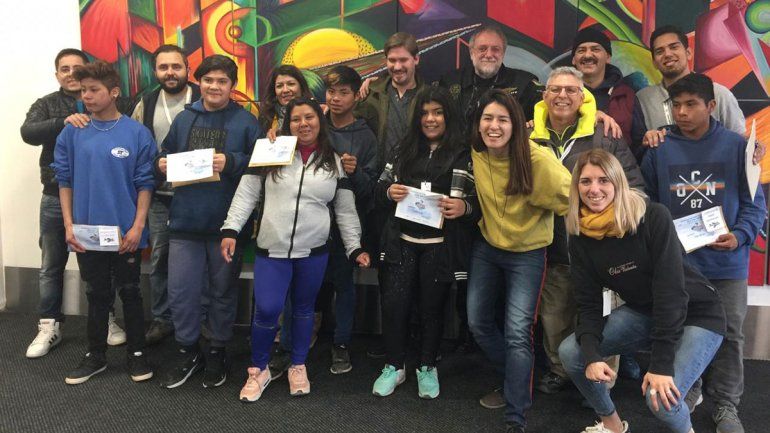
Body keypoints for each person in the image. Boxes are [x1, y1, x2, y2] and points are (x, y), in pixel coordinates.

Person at [559, 149, 726, 433]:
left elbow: (671, 294)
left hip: (698, 313)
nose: (594, 189)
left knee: (660, 400)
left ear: (618, 182)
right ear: (576, 187)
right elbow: (588, 304)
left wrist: (660, 365)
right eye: (585, 181)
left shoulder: (653, 217)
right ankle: (612, 425)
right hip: (644, 311)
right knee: (571, 353)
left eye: (603, 180)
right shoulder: (580, 236)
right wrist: (592, 356)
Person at [220, 97, 370, 402]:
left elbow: (344, 209)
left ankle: (298, 365)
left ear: (320, 121)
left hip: (313, 251)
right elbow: (247, 193)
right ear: (287, 124)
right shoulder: (270, 151)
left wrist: (354, 247)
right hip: (271, 249)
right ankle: (258, 369)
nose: (303, 124)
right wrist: (231, 229)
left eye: (309, 117)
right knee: (267, 309)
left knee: (304, 310)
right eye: (296, 119)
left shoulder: (334, 161)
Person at [641, 73, 765, 433]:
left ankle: (725, 405)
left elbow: (755, 205)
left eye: (691, 104)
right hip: (679, 266)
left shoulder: (737, 147)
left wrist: (739, 236)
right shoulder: (658, 148)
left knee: (731, 335)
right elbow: (645, 205)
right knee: (681, 331)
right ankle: (690, 392)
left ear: (711, 106)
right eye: (676, 105)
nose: (682, 112)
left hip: (727, 264)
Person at [529, 66, 643, 394]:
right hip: (553, 247)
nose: (562, 96)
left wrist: (614, 225)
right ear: (544, 96)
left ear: (582, 97)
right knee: (554, 316)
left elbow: (634, 187)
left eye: (570, 90)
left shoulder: (605, 134)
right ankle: (561, 371)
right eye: (555, 89)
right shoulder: (529, 137)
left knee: (604, 319)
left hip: (601, 249)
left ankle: (601, 380)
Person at [467, 89, 571, 433]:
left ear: (516, 124)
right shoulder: (477, 150)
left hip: (528, 252)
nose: (493, 126)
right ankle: (517, 374)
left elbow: (574, 196)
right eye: (487, 118)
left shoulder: (537, 160)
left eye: (502, 119)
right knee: (478, 322)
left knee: (517, 333)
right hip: (488, 246)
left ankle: (516, 414)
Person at [155, 54, 261, 389]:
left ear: (233, 86)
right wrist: (162, 163)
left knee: (223, 292)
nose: (214, 86)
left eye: (222, 81)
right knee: (181, 292)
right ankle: (188, 350)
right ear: (198, 82)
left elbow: (261, 164)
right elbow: (166, 152)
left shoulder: (246, 122)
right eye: (208, 80)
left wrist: (231, 161)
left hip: (227, 225)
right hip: (185, 221)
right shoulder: (185, 119)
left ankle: (217, 350)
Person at [270, 65, 379, 376]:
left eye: (344, 92)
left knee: (343, 286)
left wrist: (355, 173)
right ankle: (289, 345)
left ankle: (341, 343)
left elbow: (371, 190)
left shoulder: (365, 136)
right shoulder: (312, 124)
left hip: (344, 227)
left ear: (356, 96)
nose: (336, 98)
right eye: (331, 91)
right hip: (304, 224)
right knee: (297, 287)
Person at [52, 61, 156, 385]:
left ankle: (137, 354)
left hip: (126, 232)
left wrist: (138, 227)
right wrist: (69, 225)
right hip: (87, 233)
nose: (86, 96)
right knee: (96, 294)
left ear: (113, 92)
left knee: (131, 292)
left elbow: (145, 183)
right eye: (83, 90)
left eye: (94, 90)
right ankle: (95, 356)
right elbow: (64, 180)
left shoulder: (137, 133)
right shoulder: (72, 132)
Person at [371, 87, 478, 399]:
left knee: (432, 309)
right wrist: (388, 192)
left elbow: (481, 202)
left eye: (438, 112)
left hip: (440, 245)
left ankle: (427, 366)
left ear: (448, 116)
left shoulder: (464, 154)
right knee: (395, 305)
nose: (430, 119)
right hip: (401, 242)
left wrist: (464, 207)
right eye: (424, 113)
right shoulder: (403, 150)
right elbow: (378, 189)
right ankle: (394, 365)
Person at [20, 49, 128, 358]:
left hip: (95, 199)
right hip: (55, 196)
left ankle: (105, 318)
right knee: (51, 264)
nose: (70, 74)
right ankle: (49, 324)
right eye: (64, 69)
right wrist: (62, 122)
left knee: (99, 265)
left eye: (76, 68)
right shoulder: (47, 104)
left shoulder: (103, 101)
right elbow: (28, 132)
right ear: (57, 74)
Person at [131, 44, 201, 345]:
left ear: (187, 68)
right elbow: (135, 145)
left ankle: (198, 317)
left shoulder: (203, 96)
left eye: (176, 66)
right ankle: (163, 318)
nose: (170, 72)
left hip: (197, 193)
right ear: (155, 71)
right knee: (160, 257)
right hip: (160, 195)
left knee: (199, 258)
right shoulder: (146, 103)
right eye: (164, 67)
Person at [631, 26, 746, 161]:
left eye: (674, 47)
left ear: (688, 53)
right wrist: (646, 142)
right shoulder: (643, 99)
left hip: (716, 171)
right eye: (660, 51)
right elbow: (638, 151)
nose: (667, 54)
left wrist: (754, 147)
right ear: (654, 62)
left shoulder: (719, 94)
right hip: (667, 172)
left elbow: (741, 142)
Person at [439, 23, 541, 130]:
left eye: (495, 49)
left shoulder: (525, 84)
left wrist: (535, 124)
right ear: (471, 52)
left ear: (503, 53)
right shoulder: (449, 81)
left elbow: (548, 114)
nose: (488, 55)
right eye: (482, 49)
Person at [355, 31, 428, 171]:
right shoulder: (370, 93)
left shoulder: (429, 97)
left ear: (416, 59)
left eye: (403, 60)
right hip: (375, 177)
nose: (397, 67)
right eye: (392, 60)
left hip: (413, 177)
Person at [571, 27, 636, 140]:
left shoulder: (626, 94)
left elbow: (639, 141)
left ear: (608, 57)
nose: (587, 55)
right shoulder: (561, 94)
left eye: (595, 50)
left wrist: (649, 137)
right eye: (581, 50)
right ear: (573, 60)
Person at [258, 64, 313, 133]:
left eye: (291, 84)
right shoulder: (266, 117)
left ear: (301, 87)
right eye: (279, 86)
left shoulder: (314, 112)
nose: (285, 90)